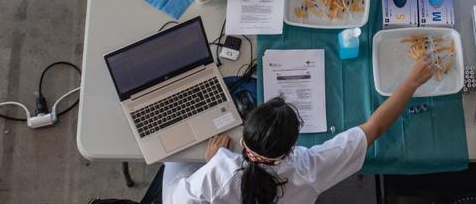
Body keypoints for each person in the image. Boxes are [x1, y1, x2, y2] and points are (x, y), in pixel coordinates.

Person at [162, 58, 434, 203]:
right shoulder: (308, 169)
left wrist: (210, 164)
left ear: (244, 137)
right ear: (291, 149)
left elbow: (179, 199)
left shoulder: (217, 173)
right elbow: (374, 128)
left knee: (172, 158)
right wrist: (411, 82)